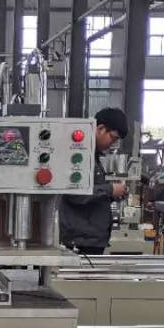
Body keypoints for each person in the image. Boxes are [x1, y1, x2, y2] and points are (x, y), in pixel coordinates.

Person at [58, 107, 129, 255]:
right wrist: (110, 190)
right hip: (80, 241)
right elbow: (74, 193)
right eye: (113, 137)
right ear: (100, 128)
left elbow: (90, 191)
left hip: (90, 240)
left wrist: (112, 194)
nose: (113, 143)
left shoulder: (93, 156)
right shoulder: (79, 155)